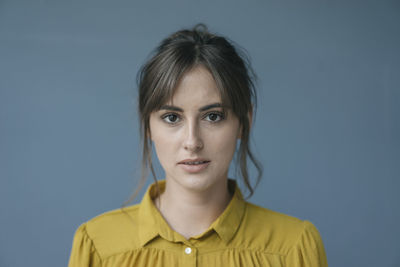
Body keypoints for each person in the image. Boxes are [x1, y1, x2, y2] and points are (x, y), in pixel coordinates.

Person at [68, 24, 328, 267]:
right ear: (147, 124)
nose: (192, 142)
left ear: (244, 121)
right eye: (172, 118)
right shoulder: (98, 246)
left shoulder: (294, 248)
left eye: (213, 116)